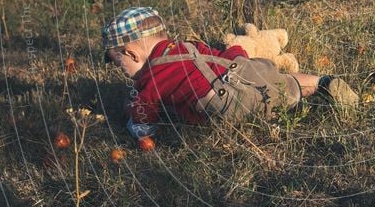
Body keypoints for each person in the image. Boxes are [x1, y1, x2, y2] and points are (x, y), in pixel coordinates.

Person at [102, 7, 358, 139]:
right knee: (281, 83)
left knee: (263, 104)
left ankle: (305, 93)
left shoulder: (151, 77)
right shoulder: (186, 46)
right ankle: (323, 82)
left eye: (117, 62)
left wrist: (131, 118)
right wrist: (237, 52)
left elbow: (145, 122)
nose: (121, 70)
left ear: (132, 54)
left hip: (224, 102)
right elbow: (216, 57)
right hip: (240, 68)